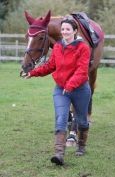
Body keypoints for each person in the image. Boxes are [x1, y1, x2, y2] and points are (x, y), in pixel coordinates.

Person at [24, 18, 91, 166]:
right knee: (61, 118)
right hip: (61, 89)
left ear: (74, 31)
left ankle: (81, 145)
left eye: (68, 29)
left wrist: (71, 84)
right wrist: (33, 73)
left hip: (80, 89)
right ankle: (59, 154)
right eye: (63, 29)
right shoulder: (58, 47)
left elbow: (82, 70)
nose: (65, 32)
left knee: (82, 120)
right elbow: (50, 66)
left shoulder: (83, 48)